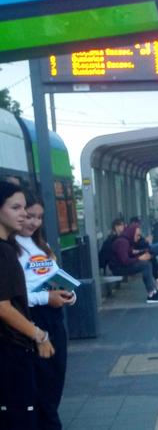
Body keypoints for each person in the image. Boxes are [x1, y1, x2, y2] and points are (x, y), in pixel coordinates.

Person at [17, 193, 76, 430]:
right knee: (42, 391)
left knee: (55, 383)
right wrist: (45, 297)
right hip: (32, 320)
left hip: (54, 319)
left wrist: (70, 294)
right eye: (29, 216)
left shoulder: (43, 245)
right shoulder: (10, 250)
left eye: (39, 217)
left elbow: (56, 277)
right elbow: (10, 299)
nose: (34, 222)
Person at [0, 182, 54, 430]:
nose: (24, 213)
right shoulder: (4, 252)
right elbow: (3, 306)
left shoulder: (8, 248)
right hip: (10, 348)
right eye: (16, 207)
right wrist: (39, 335)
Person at [108, 223, 158, 304]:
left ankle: (153, 290)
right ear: (132, 233)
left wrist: (143, 253)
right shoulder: (122, 242)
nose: (139, 237)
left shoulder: (126, 240)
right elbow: (125, 261)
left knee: (148, 261)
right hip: (118, 269)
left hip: (121, 266)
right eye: (137, 235)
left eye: (139, 235)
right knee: (145, 264)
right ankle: (151, 294)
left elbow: (131, 252)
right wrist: (139, 258)